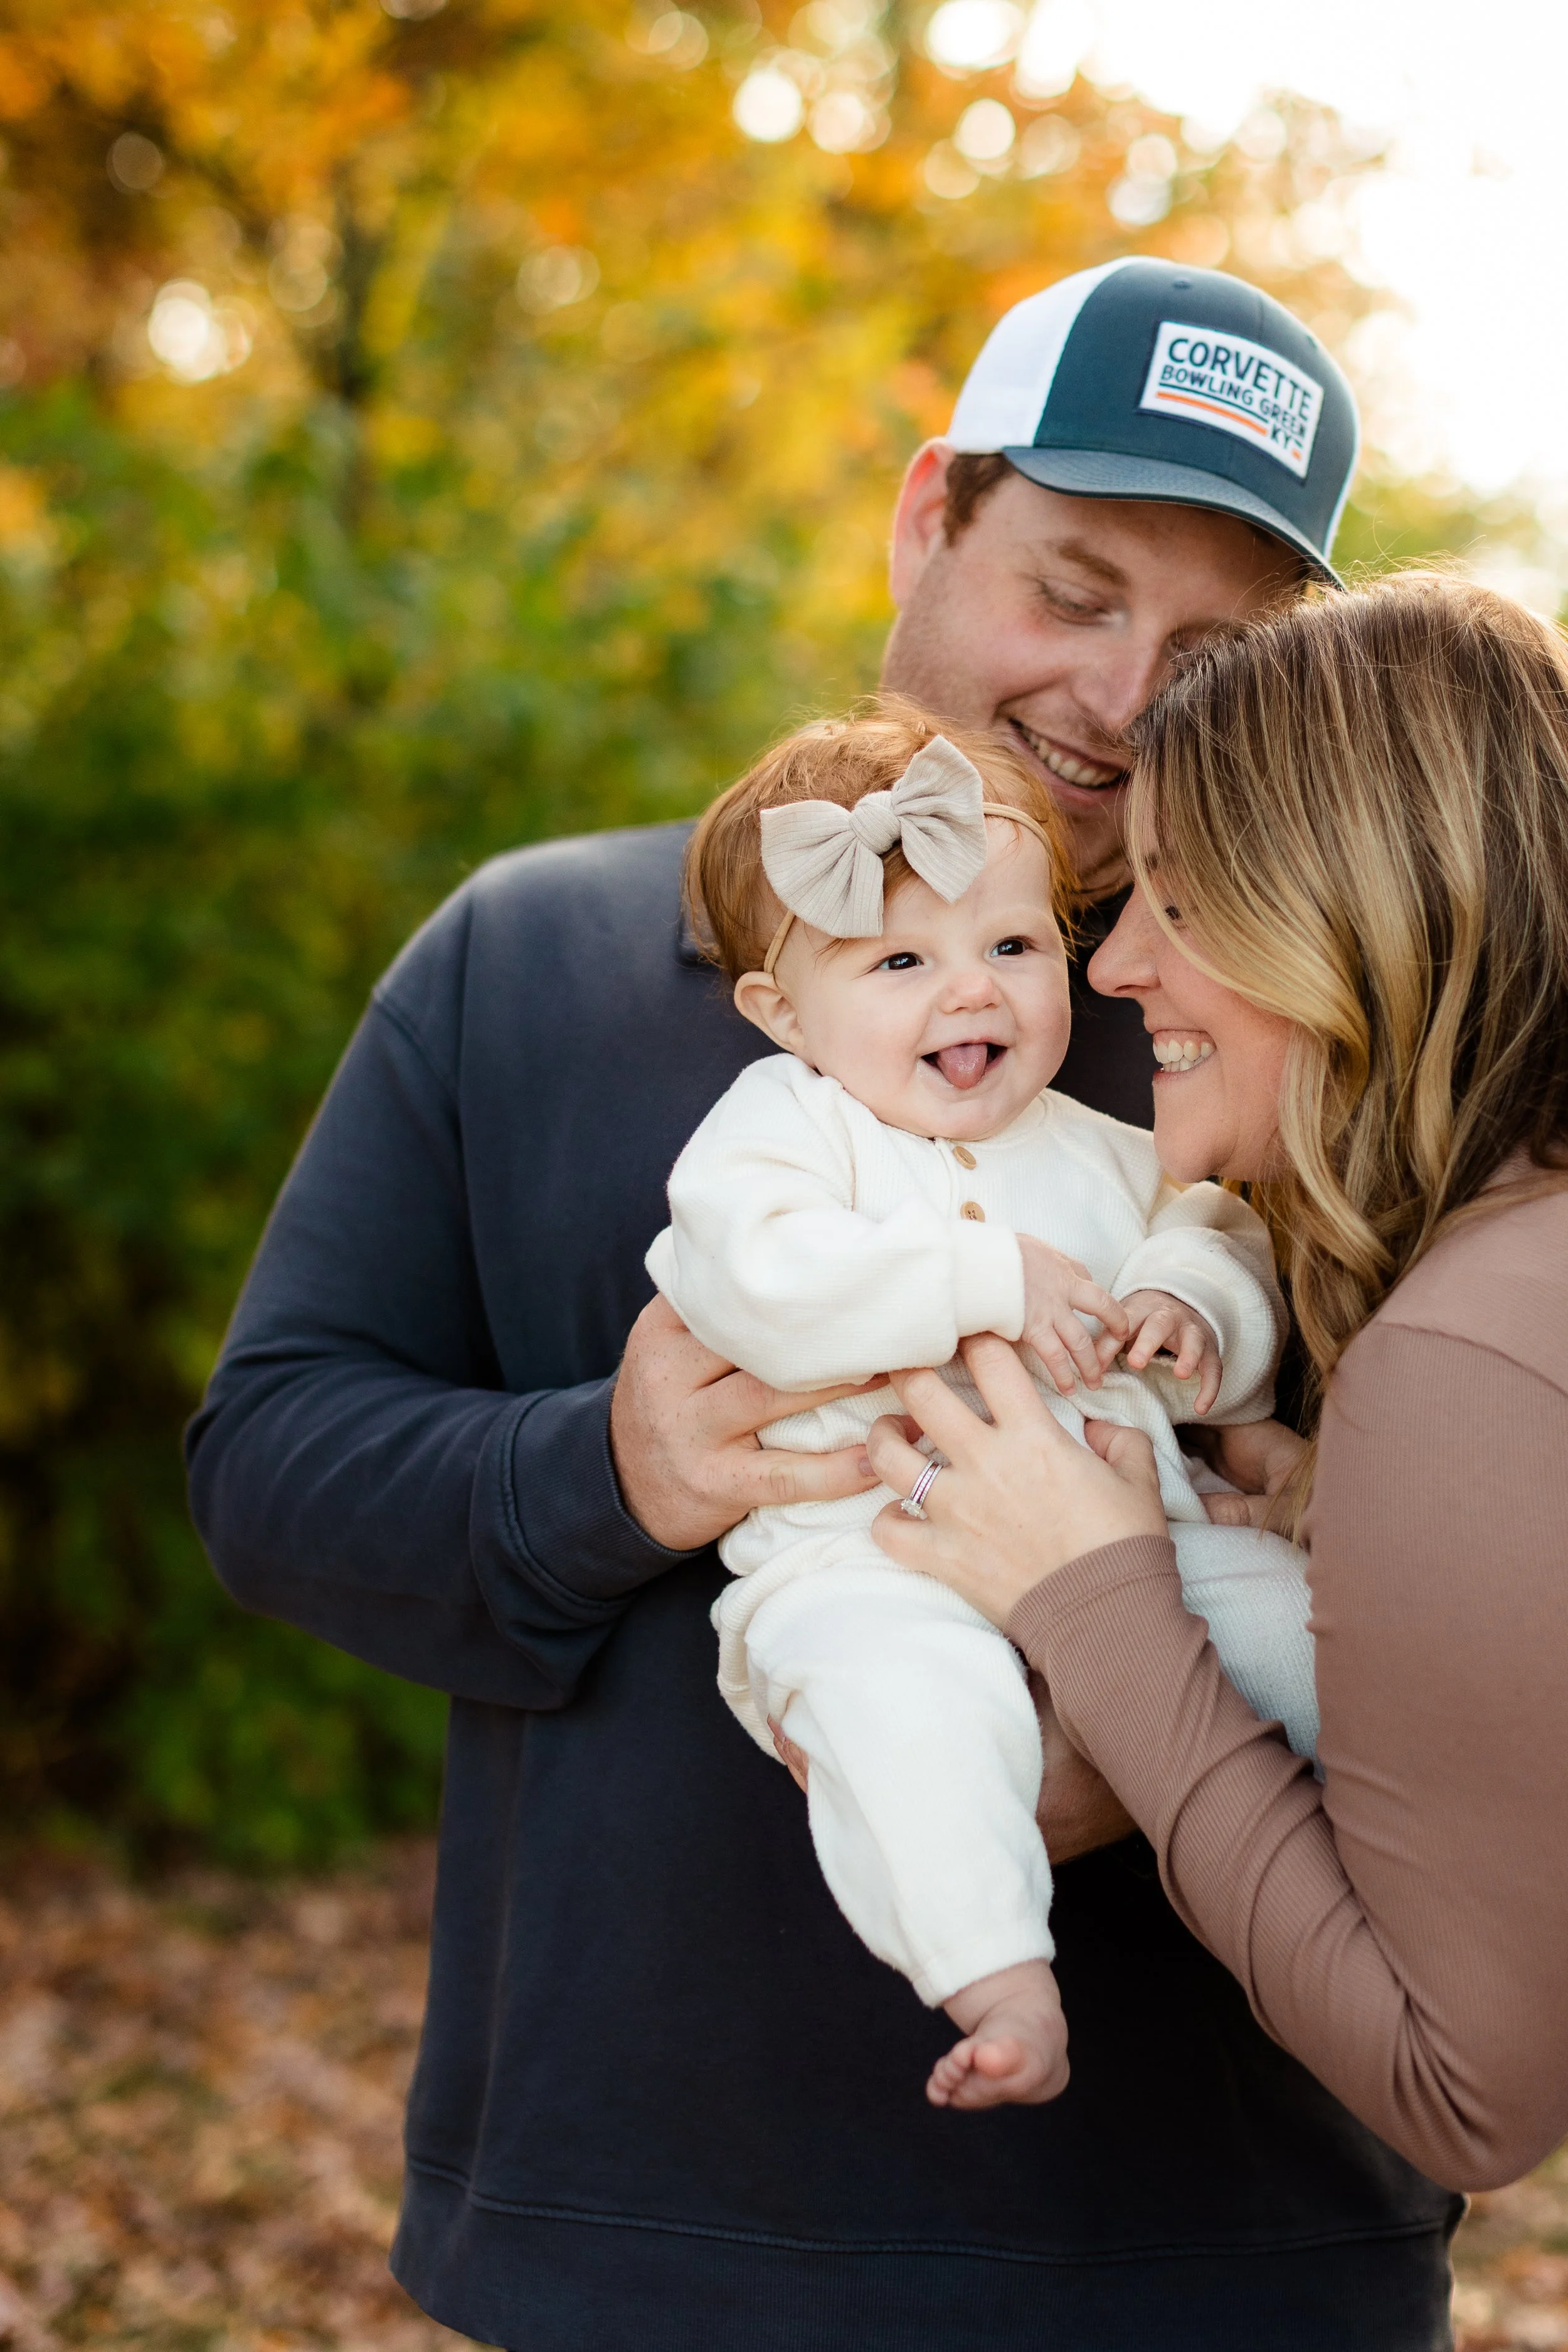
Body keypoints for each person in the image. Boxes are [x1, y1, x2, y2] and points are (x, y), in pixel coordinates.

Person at [188, 262, 1461, 2349]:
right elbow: (270, 1468)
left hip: (1238, 2258)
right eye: (1072, 585)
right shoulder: (536, 964)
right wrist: (608, 1464)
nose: (1131, 699)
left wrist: (1159, 1704)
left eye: (1218, 648)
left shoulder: (1352, 1031)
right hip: (646, 2250)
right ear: (923, 518)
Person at [866, 570, 1568, 2200]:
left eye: (1178, 901)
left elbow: (1465, 2095)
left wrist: (1094, 1597)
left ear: (1359, 915)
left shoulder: (1460, 1351)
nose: (1114, 969)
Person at [648, 702, 1311, 2113]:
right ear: (782, 1012)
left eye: (1009, 947)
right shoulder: (784, 1134)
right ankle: (993, 1970)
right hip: (870, 1559)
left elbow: (1214, 1236)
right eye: (897, 961)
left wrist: (1193, 1315)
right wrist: (978, 1276)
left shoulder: (1104, 1151)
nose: (971, 994)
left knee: (1321, 1624)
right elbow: (753, 1281)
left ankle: (1454, 1861)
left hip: (1141, 1548)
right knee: (904, 1713)